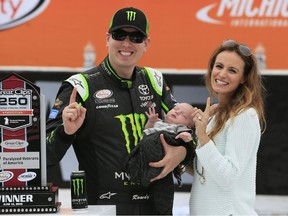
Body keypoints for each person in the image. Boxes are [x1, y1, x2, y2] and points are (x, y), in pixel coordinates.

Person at [46, 7, 191, 215]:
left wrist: (184, 150)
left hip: (156, 206)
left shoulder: (155, 80)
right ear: (107, 39)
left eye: (136, 37)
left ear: (146, 44)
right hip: (104, 207)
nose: (126, 43)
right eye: (119, 35)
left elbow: (188, 131)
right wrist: (66, 132)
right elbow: (45, 154)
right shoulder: (80, 86)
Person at [189, 40, 266, 215]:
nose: (222, 74)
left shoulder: (245, 116)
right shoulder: (216, 116)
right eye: (219, 66)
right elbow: (205, 173)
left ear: (244, 78)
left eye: (232, 70)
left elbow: (228, 177)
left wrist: (202, 136)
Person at [125, 103, 196, 214]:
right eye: (175, 109)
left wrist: (186, 138)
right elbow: (146, 131)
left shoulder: (180, 129)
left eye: (183, 115)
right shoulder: (158, 123)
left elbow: (188, 141)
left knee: (162, 194)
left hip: (164, 153)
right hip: (146, 152)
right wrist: (151, 121)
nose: (177, 112)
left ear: (188, 126)